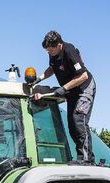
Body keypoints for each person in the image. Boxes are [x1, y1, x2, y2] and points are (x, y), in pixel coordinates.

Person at [35, 31, 96, 165]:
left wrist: (63, 88)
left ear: (59, 46)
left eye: (50, 50)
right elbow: (52, 69)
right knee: (71, 126)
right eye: (47, 51)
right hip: (72, 91)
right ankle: (86, 157)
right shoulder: (53, 55)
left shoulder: (69, 51)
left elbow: (83, 76)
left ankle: (85, 159)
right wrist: (38, 79)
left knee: (79, 121)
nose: (49, 53)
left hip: (84, 89)